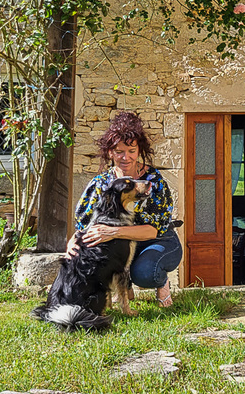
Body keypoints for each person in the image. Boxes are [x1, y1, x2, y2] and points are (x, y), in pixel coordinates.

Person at [67, 111, 180, 308]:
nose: (125, 157)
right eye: (119, 151)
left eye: (131, 150)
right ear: (110, 152)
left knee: (146, 273)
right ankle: (120, 289)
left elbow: (152, 230)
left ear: (139, 150)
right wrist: (72, 245)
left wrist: (112, 232)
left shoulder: (153, 181)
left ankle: (161, 281)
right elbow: (84, 225)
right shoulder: (101, 184)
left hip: (156, 239)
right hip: (120, 245)